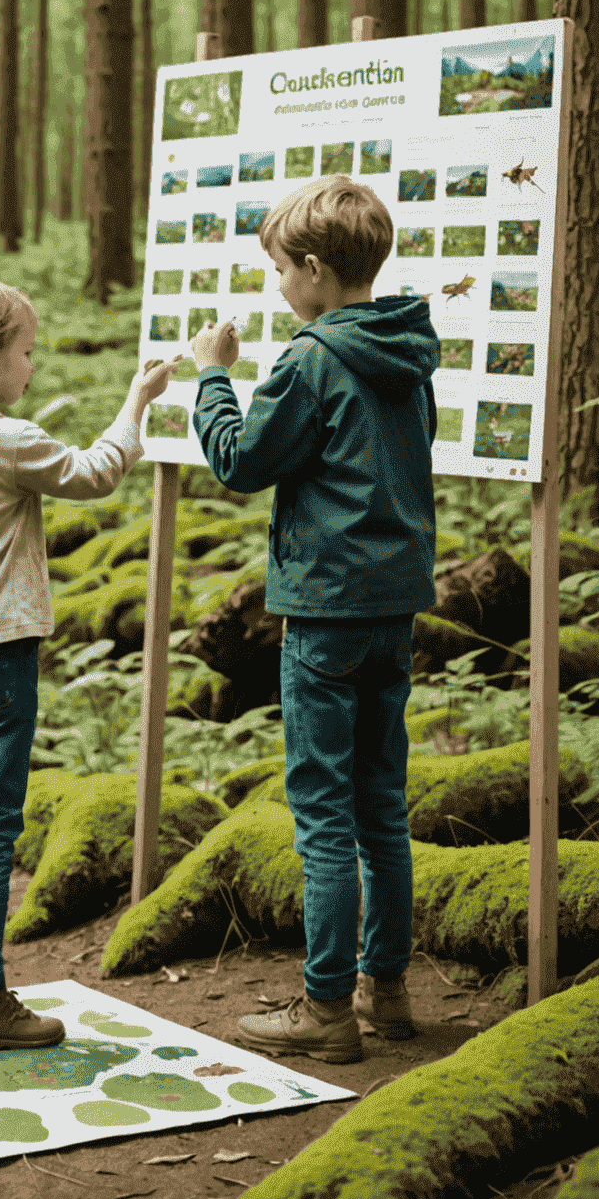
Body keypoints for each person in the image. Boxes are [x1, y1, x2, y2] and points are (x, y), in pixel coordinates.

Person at [0, 275, 179, 1052]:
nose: (30, 369)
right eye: (25, 353)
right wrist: (137, 402)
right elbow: (94, 473)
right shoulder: (3, 437)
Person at [190, 175, 439, 1065]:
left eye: (280, 270)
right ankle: (389, 990)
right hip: (393, 607)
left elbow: (243, 460)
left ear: (315, 267)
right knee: (381, 805)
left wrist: (213, 377)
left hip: (326, 612)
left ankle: (327, 1008)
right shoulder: (409, 348)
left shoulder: (311, 356)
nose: (277, 288)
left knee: (323, 812)